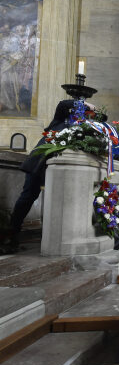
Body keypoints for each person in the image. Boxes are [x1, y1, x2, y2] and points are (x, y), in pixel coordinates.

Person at [4, 99, 97, 254]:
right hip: (39, 164)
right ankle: (11, 233)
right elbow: (62, 104)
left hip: (59, 168)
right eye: (84, 111)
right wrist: (84, 103)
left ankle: (52, 236)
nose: (86, 115)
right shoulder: (60, 120)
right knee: (28, 196)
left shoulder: (82, 128)